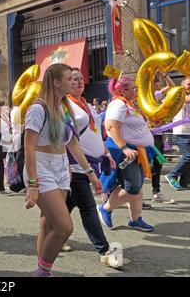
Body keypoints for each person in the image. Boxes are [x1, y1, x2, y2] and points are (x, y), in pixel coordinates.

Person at [24, 63, 103, 277]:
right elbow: (28, 147)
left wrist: (90, 173)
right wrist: (32, 184)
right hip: (41, 165)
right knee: (65, 227)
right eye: (69, 78)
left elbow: (73, 144)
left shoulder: (65, 107)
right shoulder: (38, 109)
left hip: (61, 166)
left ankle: (42, 270)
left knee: (48, 223)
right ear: (56, 81)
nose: (75, 81)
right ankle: (42, 271)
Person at [64, 68, 122, 268]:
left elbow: (95, 133)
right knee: (88, 207)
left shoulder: (86, 104)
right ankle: (104, 250)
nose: (79, 82)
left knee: (68, 203)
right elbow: (64, 138)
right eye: (73, 79)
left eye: (81, 78)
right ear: (64, 81)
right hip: (75, 165)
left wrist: (106, 153)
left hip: (92, 163)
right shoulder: (64, 104)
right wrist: (65, 164)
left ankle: (55, 232)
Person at [98, 77, 155, 232]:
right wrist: (124, 148)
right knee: (133, 187)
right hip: (128, 153)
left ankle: (136, 220)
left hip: (139, 152)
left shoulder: (128, 104)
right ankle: (106, 208)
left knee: (137, 185)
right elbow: (111, 127)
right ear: (123, 90)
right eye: (133, 88)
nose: (137, 90)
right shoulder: (118, 104)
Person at [150, 74, 175, 203]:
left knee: (158, 163)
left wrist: (165, 75)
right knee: (142, 164)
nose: (160, 84)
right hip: (147, 135)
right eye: (158, 82)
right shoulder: (145, 97)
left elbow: (171, 86)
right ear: (152, 83)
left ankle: (156, 192)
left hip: (158, 134)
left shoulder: (158, 94)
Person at [165, 77, 190, 190]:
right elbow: (187, 100)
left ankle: (185, 181)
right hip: (181, 133)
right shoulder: (179, 96)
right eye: (189, 84)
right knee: (189, 156)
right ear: (182, 86)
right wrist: (166, 76)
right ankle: (172, 175)